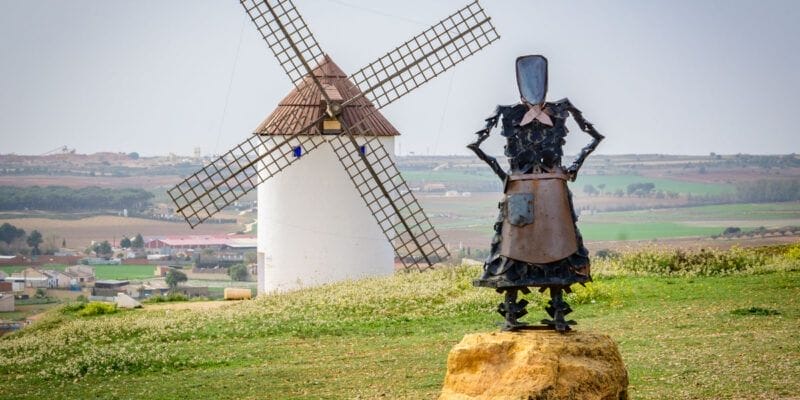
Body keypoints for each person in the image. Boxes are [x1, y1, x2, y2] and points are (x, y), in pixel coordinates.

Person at [467, 55, 604, 332]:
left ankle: (557, 313)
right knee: (516, 247)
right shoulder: (508, 112)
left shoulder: (561, 110)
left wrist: (571, 168)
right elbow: (476, 144)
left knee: (559, 244)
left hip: (552, 189)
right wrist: (505, 175)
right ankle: (513, 312)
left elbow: (595, 137)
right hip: (523, 189)